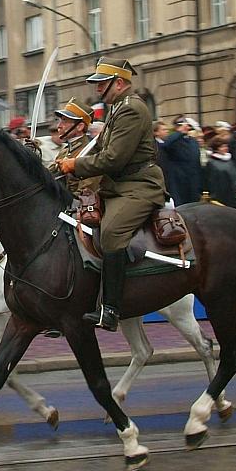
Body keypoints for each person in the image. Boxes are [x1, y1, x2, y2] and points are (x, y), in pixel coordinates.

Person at [58, 57, 165, 332]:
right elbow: (99, 154)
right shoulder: (117, 109)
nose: (97, 89)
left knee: (111, 232)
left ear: (119, 83)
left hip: (140, 185)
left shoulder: (130, 109)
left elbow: (114, 159)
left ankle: (112, 308)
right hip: (119, 186)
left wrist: (75, 165)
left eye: (101, 83)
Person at [50, 98, 100, 195]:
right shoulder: (65, 151)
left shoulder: (89, 151)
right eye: (60, 121)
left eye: (64, 121)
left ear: (79, 126)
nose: (59, 126)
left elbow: (87, 191)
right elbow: (48, 176)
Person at [159, 117, 204, 206]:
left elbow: (196, 162)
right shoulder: (173, 140)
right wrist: (179, 132)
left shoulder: (193, 141)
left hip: (193, 180)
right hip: (178, 181)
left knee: (194, 205)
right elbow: (165, 145)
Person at [202, 135, 236, 208]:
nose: (225, 148)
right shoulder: (211, 162)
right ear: (216, 149)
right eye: (222, 146)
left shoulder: (230, 160)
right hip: (219, 195)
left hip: (232, 194)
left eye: (226, 146)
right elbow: (209, 180)